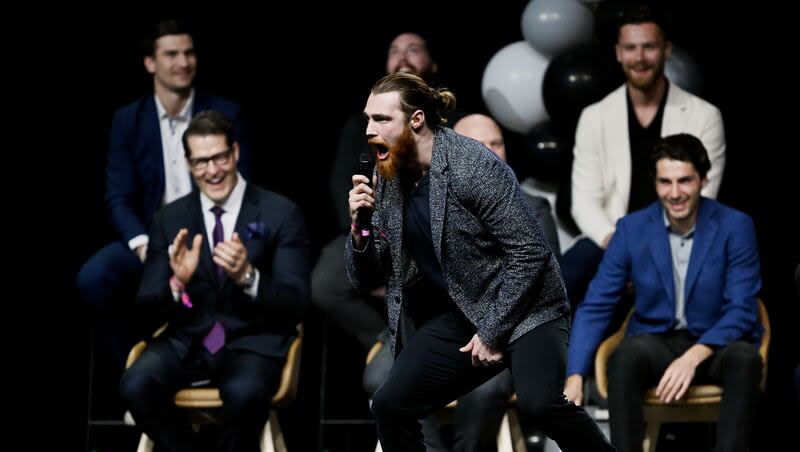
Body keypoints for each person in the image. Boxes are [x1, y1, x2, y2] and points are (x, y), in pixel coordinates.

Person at [346, 72, 615, 452]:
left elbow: (531, 253)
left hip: (527, 306)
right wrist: (360, 230)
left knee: (541, 405)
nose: (370, 129)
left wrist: (492, 330)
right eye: (368, 119)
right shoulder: (387, 175)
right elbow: (366, 277)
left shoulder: (472, 165)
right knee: (390, 404)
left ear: (417, 120)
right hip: (462, 308)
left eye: (382, 119)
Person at [119, 110, 310, 452]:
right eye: (201, 162)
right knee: (136, 385)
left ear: (235, 153)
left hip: (252, 342)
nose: (212, 170)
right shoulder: (170, 218)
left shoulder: (280, 212)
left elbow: (297, 301)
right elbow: (145, 305)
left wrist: (248, 277)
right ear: (190, 165)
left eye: (220, 157)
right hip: (187, 341)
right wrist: (176, 283)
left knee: (245, 395)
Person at [564, 133, 762, 452]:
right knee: (624, 356)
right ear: (655, 183)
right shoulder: (632, 228)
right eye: (665, 182)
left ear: (703, 180)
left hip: (715, 345)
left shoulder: (735, 225)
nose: (675, 193)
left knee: (746, 359)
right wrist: (575, 374)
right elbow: (597, 305)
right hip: (657, 342)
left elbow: (742, 309)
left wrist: (695, 355)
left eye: (685, 181)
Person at [77, 19, 251, 373]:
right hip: (151, 242)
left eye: (188, 53)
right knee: (96, 277)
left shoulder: (223, 113)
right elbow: (118, 196)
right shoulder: (128, 119)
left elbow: (241, 185)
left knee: (220, 290)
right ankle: (135, 373)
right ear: (150, 63)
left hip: (209, 238)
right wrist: (143, 245)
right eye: (171, 54)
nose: (183, 62)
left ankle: (202, 376)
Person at [562, 4, 725, 312]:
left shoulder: (705, 116)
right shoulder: (594, 117)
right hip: (611, 236)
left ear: (666, 50)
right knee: (565, 274)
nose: (639, 58)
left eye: (648, 47)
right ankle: (554, 358)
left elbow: (702, 197)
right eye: (631, 48)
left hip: (680, 238)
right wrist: (617, 245)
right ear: (618, 53)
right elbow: (583, 201)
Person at [314, 31, 457, 350]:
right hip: (374, 226)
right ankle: (388, 341)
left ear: (433, 65)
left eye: (414, 49)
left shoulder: (451, 125)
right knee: (327, 281)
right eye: (394, 50)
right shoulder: (362, 126)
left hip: (432, 231)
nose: (403, 57)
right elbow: (341, 185)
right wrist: (362, 220)